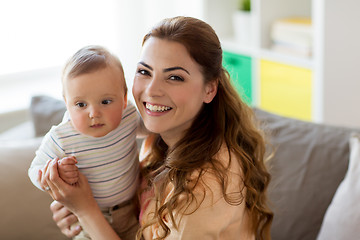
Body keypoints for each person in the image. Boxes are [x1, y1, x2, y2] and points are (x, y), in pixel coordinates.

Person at [43, 16, 273, 239]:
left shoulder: (204, 189)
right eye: (144, 72)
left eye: (174, 77)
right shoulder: (158, 139)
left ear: (209, 89)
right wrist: (79, 212)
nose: (152, 90)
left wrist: (86, 211)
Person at [28, 45, 144, 240]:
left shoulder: (129, 115)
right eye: (81, 105)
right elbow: (34, 171)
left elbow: (155, 127)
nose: (94, 113)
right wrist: (55, 173)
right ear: (67, 103)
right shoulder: (61, 136)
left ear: (124, 99)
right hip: (86, 223)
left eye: (105, 102)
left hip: (132, 211)